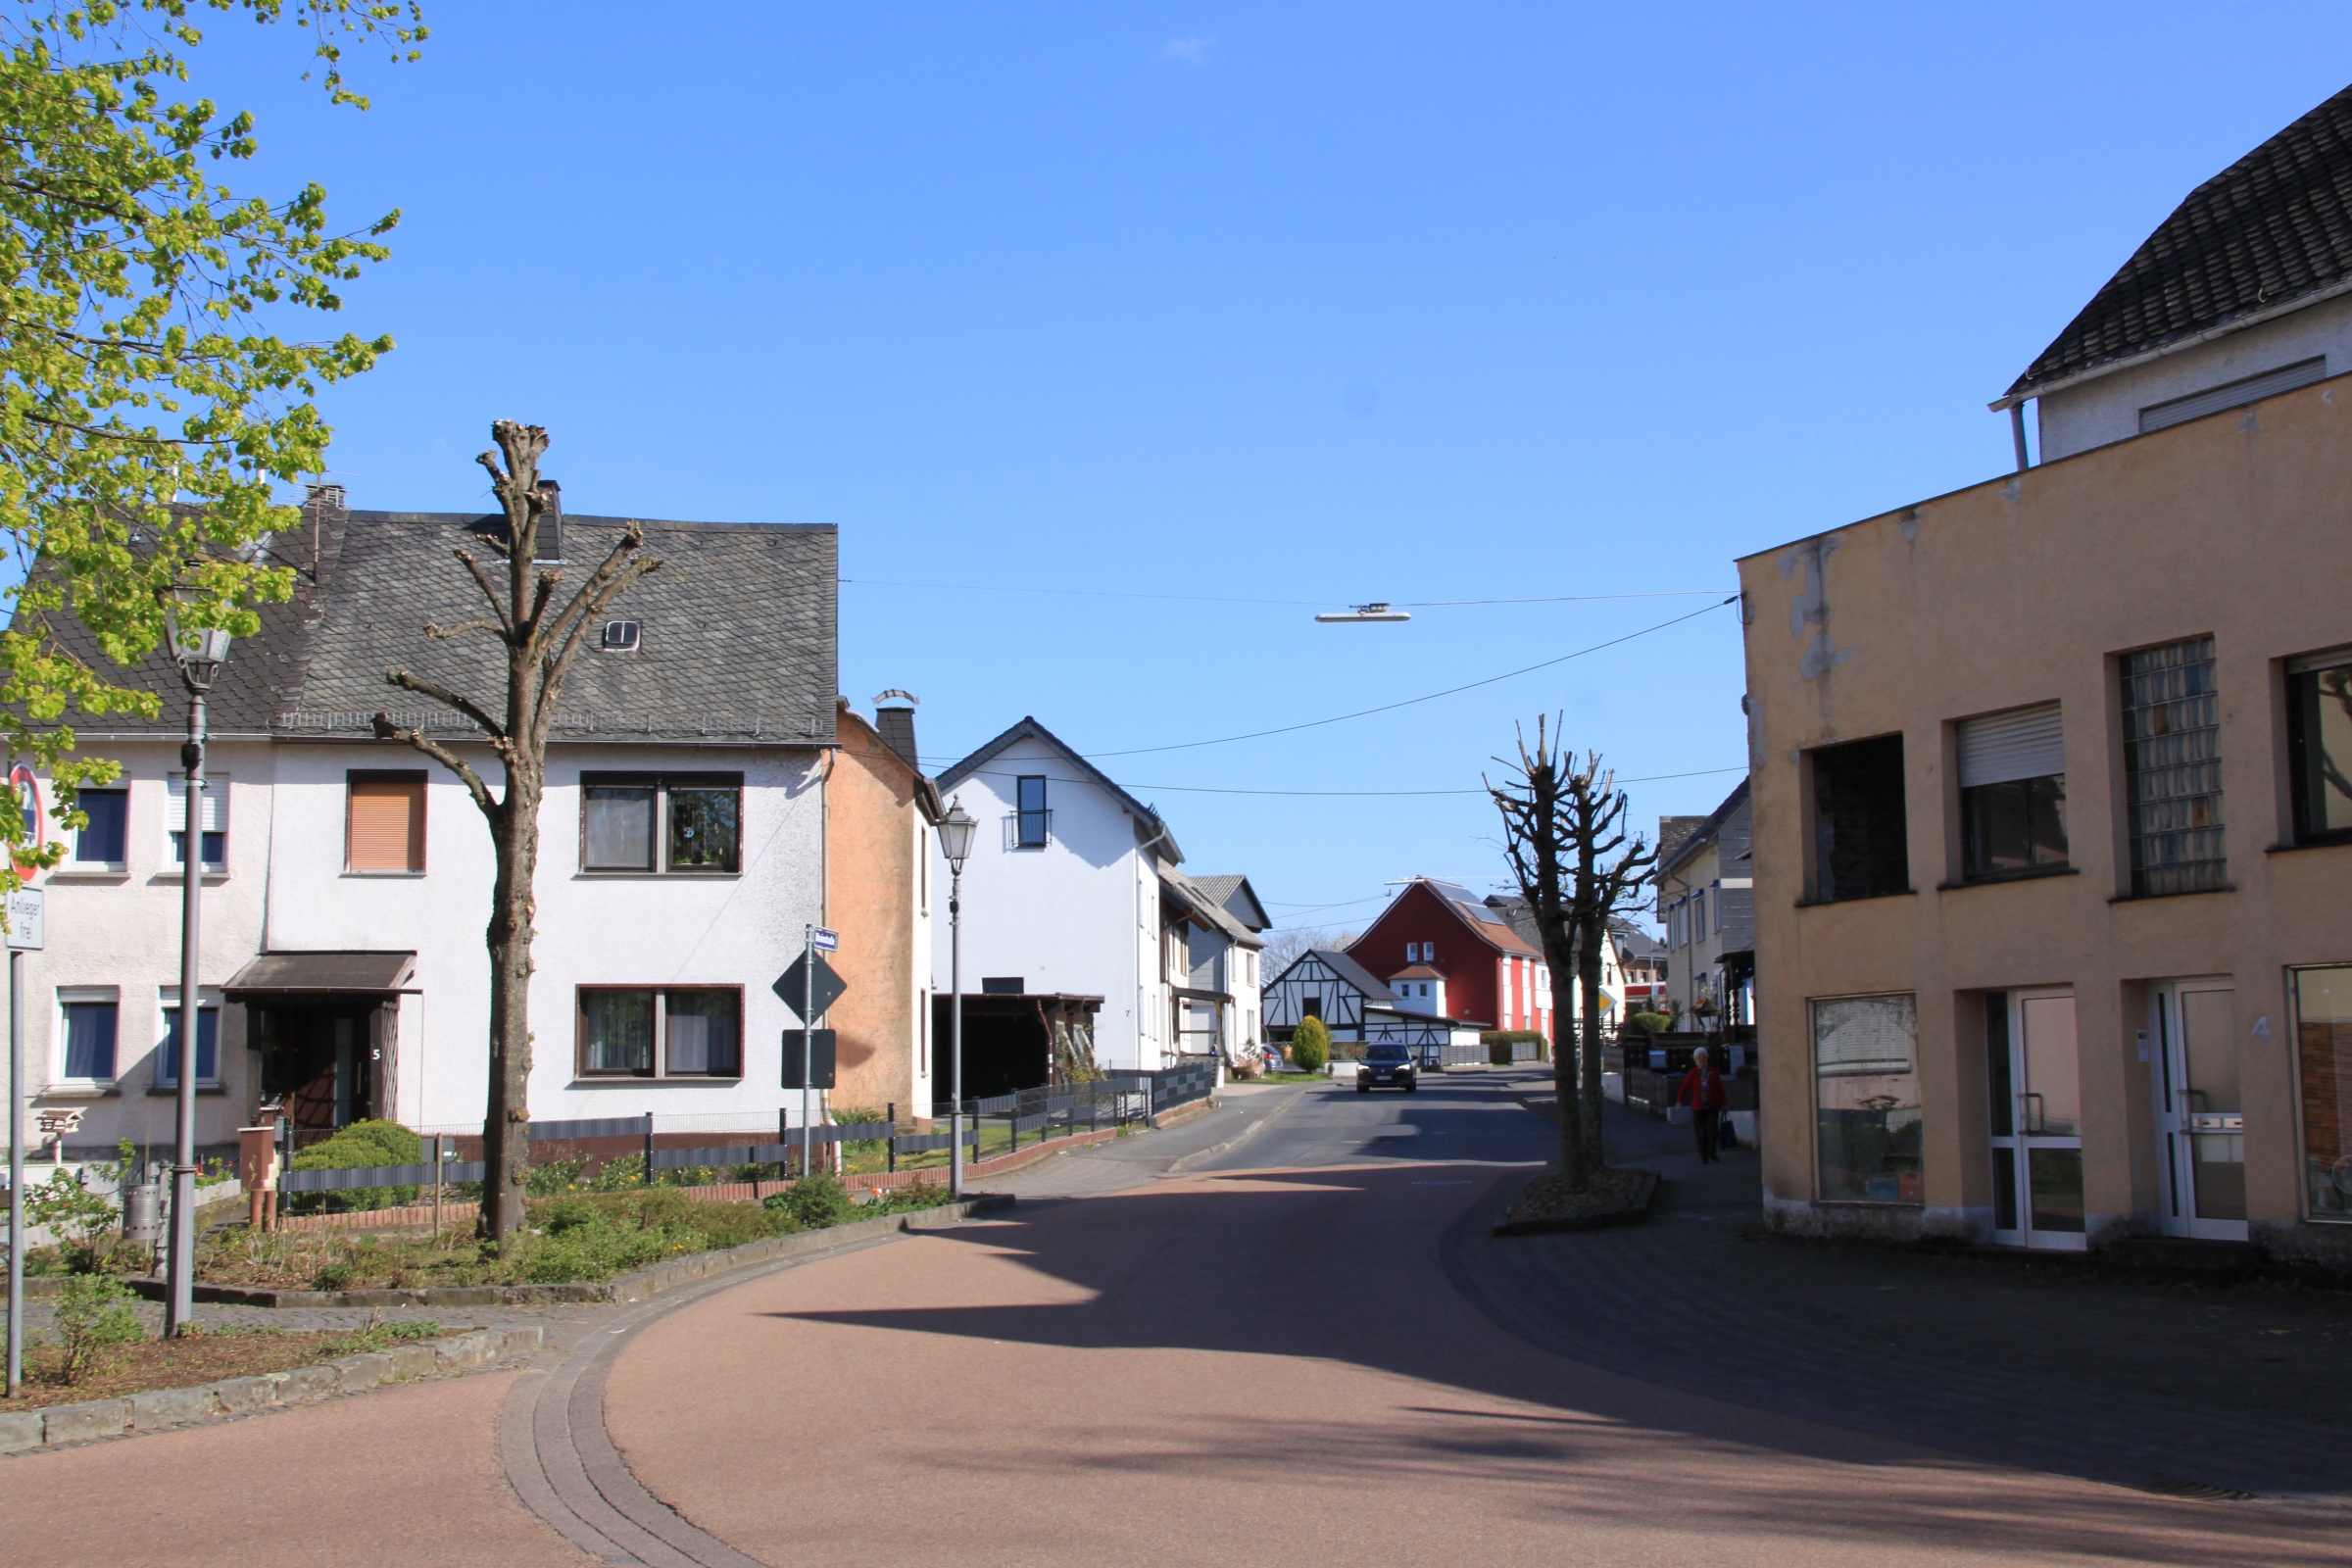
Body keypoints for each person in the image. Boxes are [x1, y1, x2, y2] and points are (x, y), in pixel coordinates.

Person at [1676, 1045, 1729, 1163]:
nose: (1701, 1060)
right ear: (1695, 1060)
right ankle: (1704, 1156)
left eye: (1703, 1058)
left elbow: (1720, 1089)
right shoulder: (1692, 1073)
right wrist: (1679, 1101)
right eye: (1699, 1058)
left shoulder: (1713, 1072)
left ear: (1707, 1059)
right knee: (1701, 1133)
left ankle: (1712, 1153)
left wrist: (1724, 1103)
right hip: (1698, 1107)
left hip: (1712, 1106)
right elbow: (1684, 1088)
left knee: (1712, 1130)